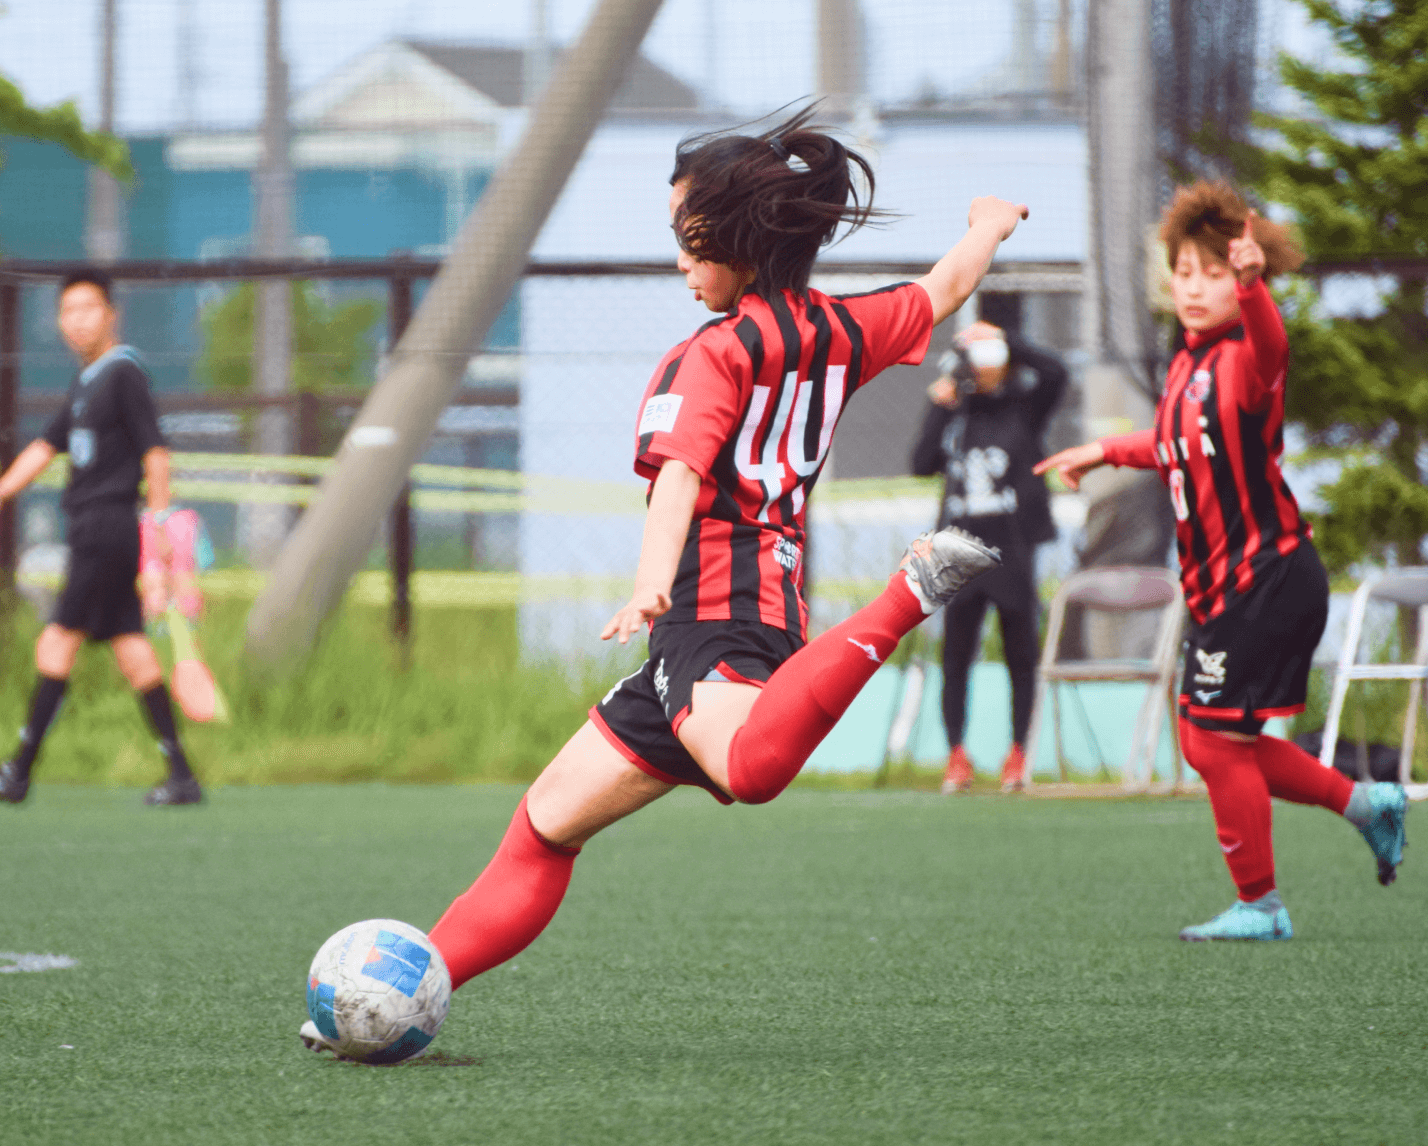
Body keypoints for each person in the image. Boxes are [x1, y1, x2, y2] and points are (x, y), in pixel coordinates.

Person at [301, 108, 1026, 1052]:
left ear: (738, 241)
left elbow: (681, 471)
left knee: (752, 771)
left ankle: (905, 594)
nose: (682, 260)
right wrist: (988, 225)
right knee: (545, 827)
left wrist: (649, 583)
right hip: (735, 621)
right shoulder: (845, 327)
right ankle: (399, 991)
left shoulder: (712, 353)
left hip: (713, 616)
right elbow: (944, 288)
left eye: (691, 240)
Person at [1036, 181, 1406, 941]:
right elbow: (1175, 444)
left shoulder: (1243, 357)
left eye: (1213, 273)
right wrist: (1104, 449)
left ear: (1243, 278)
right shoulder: (1186, 364)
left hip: (1266, 576)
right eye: (1184, 273)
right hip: (1223, 587)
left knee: (1211, 740)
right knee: (1215, 742)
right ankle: (1368, 806)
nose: (1195, 288)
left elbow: (1275, 350)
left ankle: (1263, 908)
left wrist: (1253, 288)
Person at [0, 269, 201, 807]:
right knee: (134, 652)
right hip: (96, 529)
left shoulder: (123, 374)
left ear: (111, 313)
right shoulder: (86, 382)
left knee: (57, 640)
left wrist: (158, 530)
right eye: (67, 311)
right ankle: (181, 775)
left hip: (106, 527)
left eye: (88, 308)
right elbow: (44, 447)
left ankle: (17, 772)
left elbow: (156, 454)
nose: (76, 320)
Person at [911, 317, 1066, 793]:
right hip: (959, 552)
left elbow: (1056, 373)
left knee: (1022, 653)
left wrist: (1004, 337)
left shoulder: (1024, 407)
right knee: (956, 654)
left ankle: (1018, 753)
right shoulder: (956, 412)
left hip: (1011, 550)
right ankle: (956, 754)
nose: (986, 370)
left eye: (993, 362)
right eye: (979, 362)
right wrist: (940, 404)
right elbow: (920, 464)